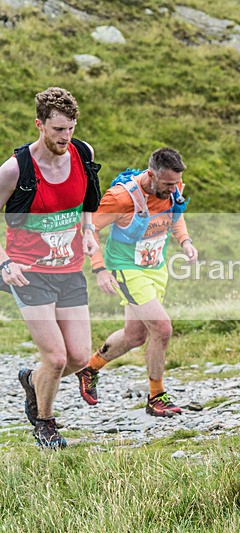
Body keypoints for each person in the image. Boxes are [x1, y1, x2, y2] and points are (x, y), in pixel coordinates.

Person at [1, 87, 100, 448]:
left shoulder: (83, 154)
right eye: (58, 130)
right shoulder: (16, 169)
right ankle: (45, 423)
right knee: (56, 358)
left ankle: (32, 381)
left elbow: (89, 199)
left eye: (71, 128)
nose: (66, 137)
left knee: (77, 356)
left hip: (70, 270)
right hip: (29, 273)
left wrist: (89, 231)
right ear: (39, 124)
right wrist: (4, 262)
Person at [75, 147, 198, 417]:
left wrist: (185, 242)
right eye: (167, 184)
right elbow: (89, 229)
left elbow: (176, 215)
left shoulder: (171, 188)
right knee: (162, 328)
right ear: (151, 175)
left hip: (155, 268)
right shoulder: (121, 198)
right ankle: (156, 396)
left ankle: (89, 368)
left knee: (135, 336)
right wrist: (100, 269)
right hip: (127, 270)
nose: (173, 189)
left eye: (176, 183)